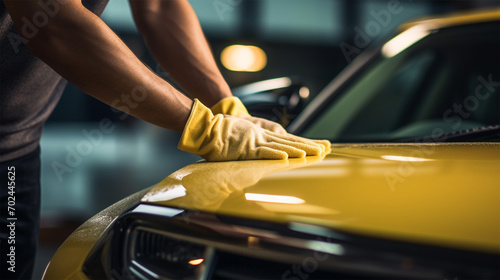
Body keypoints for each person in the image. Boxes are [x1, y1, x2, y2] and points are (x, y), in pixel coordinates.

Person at [0, 0, 329, 278]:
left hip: (16, 150)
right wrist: (205, 127)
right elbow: (50, 20)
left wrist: (225, 109)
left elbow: (159, 6)